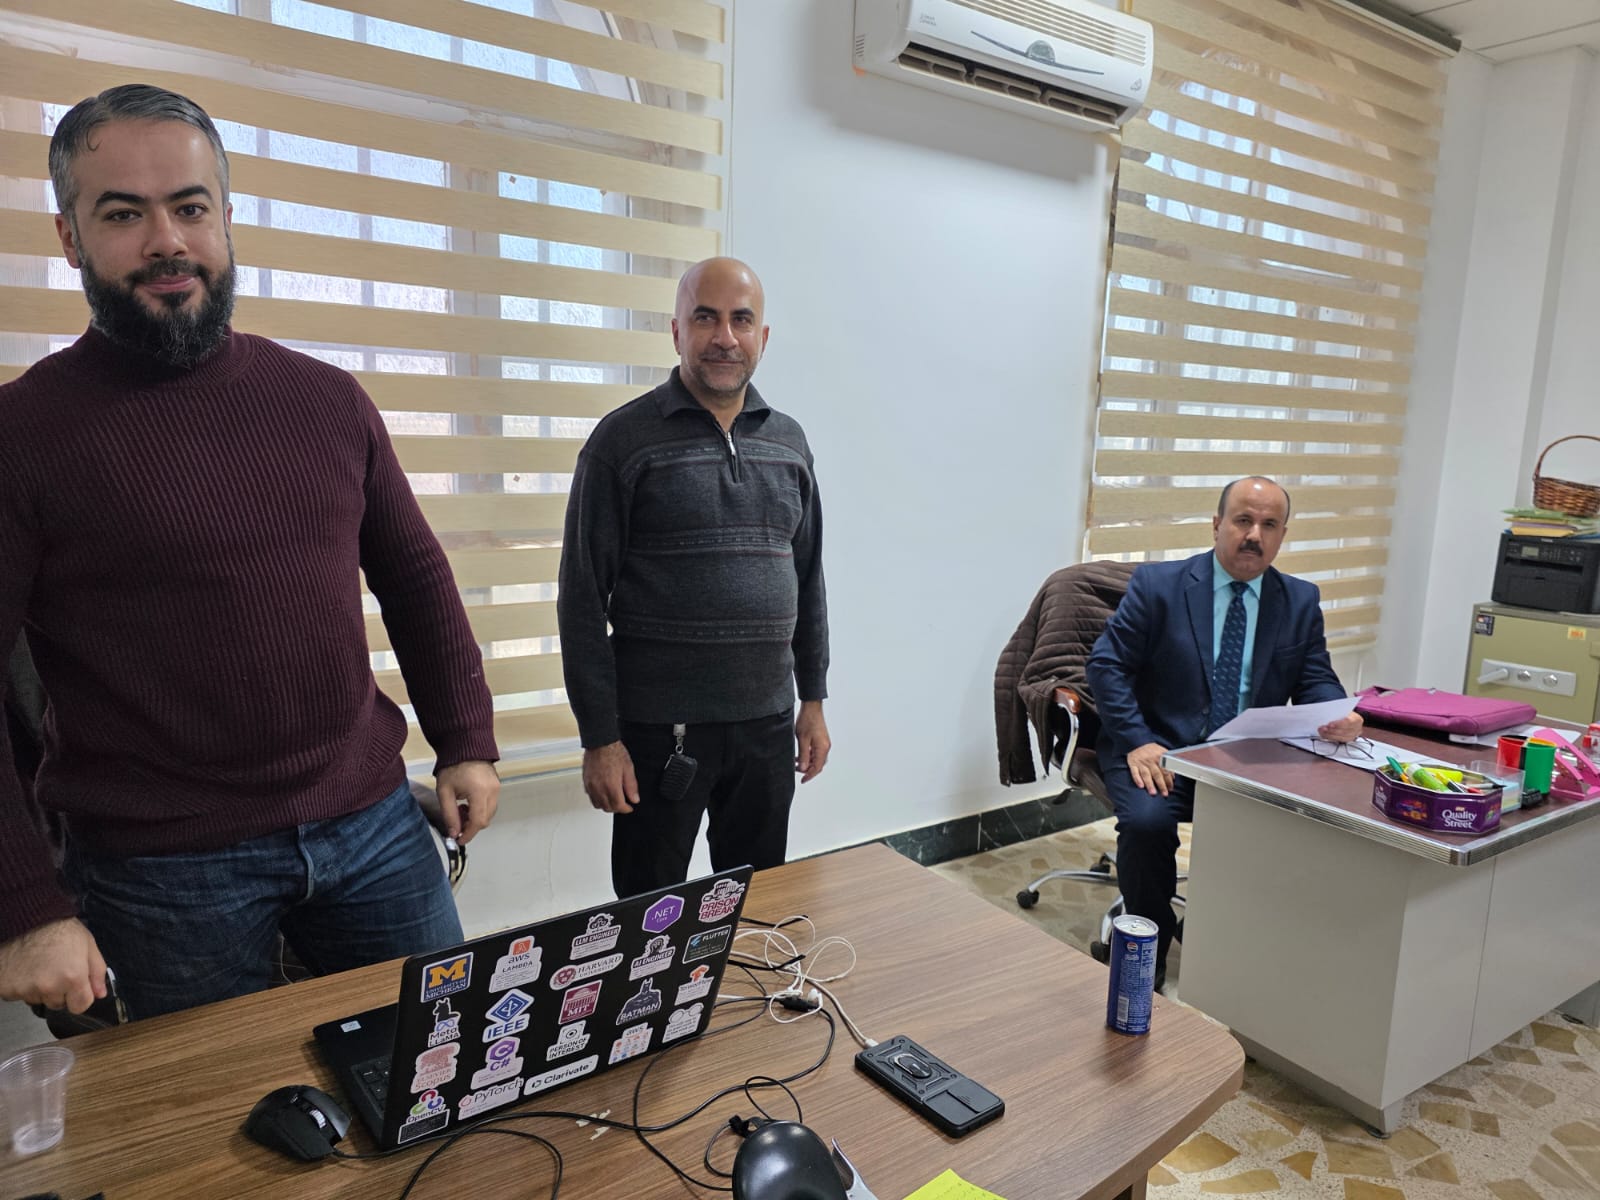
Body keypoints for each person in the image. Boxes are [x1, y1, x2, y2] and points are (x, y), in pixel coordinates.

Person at [0, 84, 500, 1021]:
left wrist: (466, 741)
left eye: (190, 207)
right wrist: (25, 909)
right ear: (70, 237)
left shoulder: (326, 399)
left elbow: (415, 577)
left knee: (437, 1062)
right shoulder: (22, 435)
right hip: (160, 871)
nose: (167, 241)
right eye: (124, 214)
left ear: (226, 218)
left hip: (373, 826)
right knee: (209, 1112)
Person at [558, 257, 831, 897]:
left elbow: (808, 578)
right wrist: (601, 739)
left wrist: (812, 700)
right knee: (650, 918)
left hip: (767, 727)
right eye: (706, 318)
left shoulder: (789, 443)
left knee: (758, 903)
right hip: (660, 736)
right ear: (677, 330)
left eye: (742, 320)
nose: (724, 337)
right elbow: (581, 599)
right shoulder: (621, 442)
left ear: (763, 337)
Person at [1085, 476, 1361, 987]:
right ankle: (1147, 953)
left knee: (1301, 822)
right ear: (1217, 525)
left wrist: (1337, 713)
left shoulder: (1298, 600)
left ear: (1282, 536)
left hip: (1242, 757)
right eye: (1243, 520)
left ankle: (1231, 941)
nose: (1254, 535)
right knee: (1147, 824)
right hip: (1158, 748)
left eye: (1269, 525)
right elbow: (1107, 667)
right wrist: (1138, 740)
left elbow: (1315, 679)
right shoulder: (1159, 586)